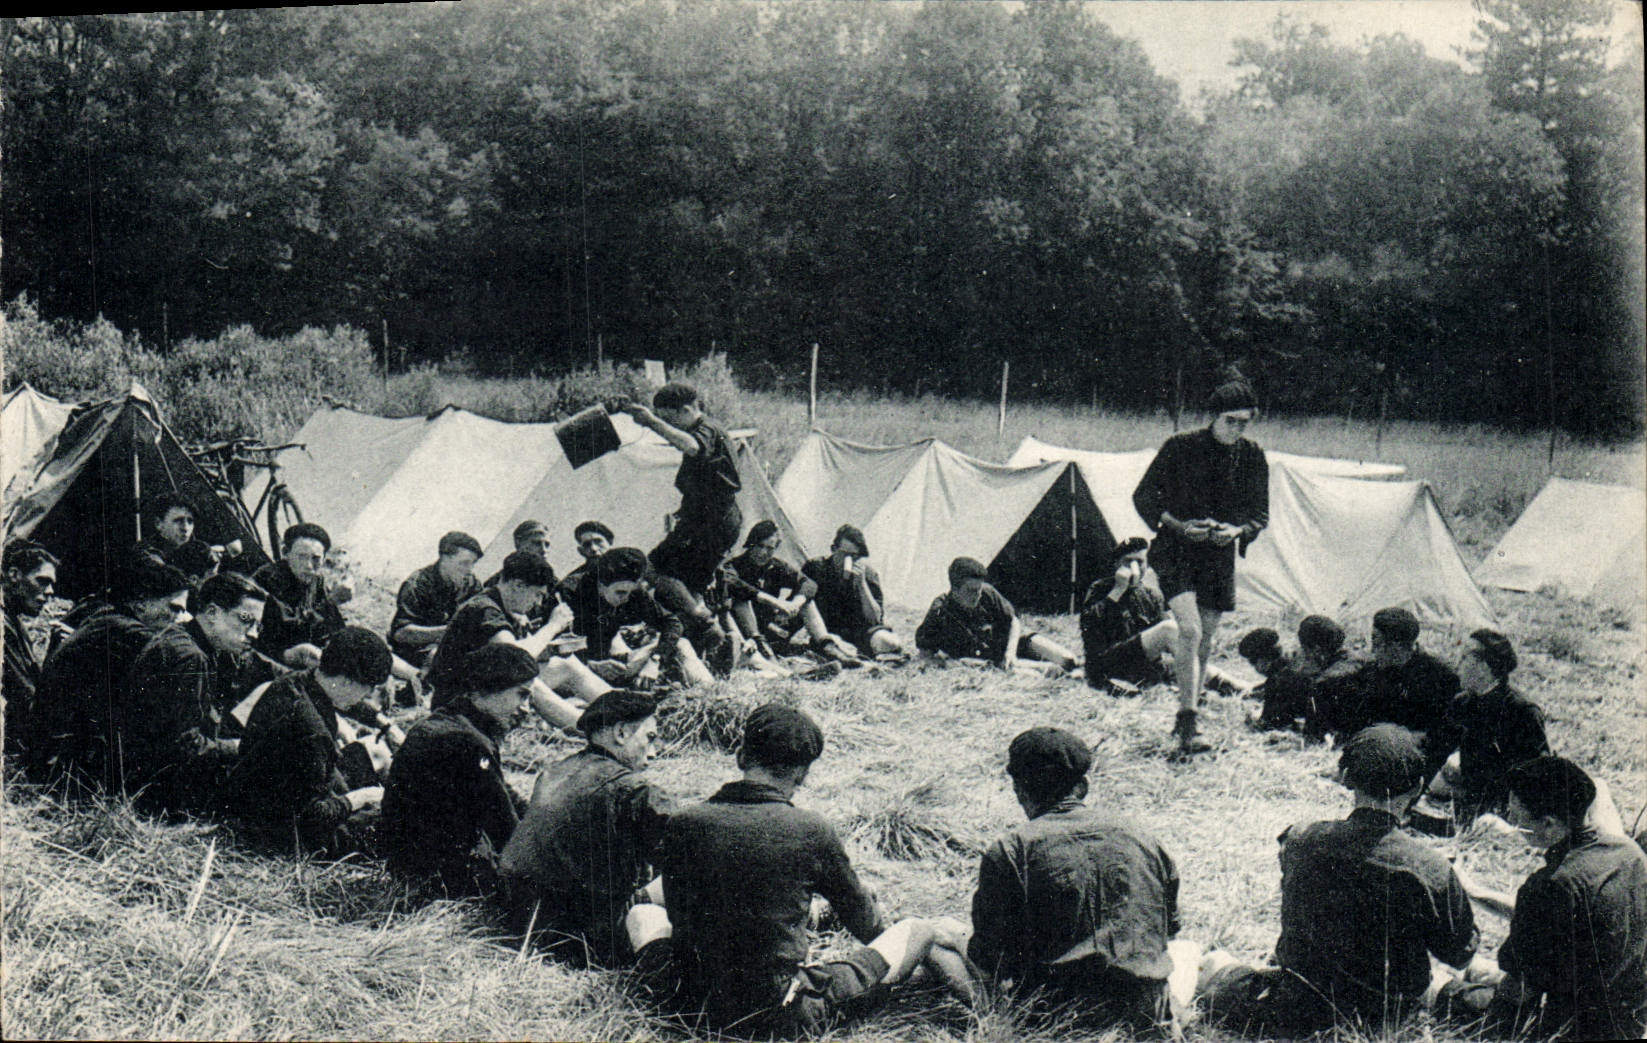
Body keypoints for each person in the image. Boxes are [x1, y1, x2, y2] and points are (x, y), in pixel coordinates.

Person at [647, 703, 974, 1035]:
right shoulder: (810, 829)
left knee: (645, 915)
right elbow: (866, 925)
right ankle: (982, 1005)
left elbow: (682, 909)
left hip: (692, 1004)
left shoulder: (683, 822)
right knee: (916, 930)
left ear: (741, 756)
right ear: (802, 773)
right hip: (782, 1013)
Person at [1196, 724, 1479, 1036]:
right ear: (1417, 788)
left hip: (1298, 1010)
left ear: (1346, 778)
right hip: (1385, 1019)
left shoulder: (1300, 838)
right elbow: (1460, 954)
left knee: (1213, 961)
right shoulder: (1431, 867)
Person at [968, 727, 1189, 1034]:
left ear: (1020, 791)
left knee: (940, 940)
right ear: (1082, 787)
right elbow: (1167, 932)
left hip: (1052, 1018)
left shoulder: (1011, 849)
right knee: (1190, 952)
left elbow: (989, 956)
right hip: (1144, 1014)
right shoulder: (1143, 838)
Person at [1438, 756, 1647, 1040]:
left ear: (1549, 824)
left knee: (1437, 983)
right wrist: (1475, 891)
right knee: (1476, 971)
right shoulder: (1630, 853)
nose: (1510, 822)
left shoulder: (1550, 885)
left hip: (1571, 1029)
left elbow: (1518, 991)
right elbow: (1571, 922)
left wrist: (1480, 1019)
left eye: (1516, 815)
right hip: (1628, 1021)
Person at [1133, 377, 1268, 754]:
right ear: (1214, 417)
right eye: (1231, 420)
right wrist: (1179, 525)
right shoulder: (1180, 447)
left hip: (1218, 557)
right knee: (1188, 632)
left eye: (1245, 422)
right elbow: (1143, 496)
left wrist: (1237, 530)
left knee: (1205, 640)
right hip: (1176, 551)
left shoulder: (1253, 455)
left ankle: (1190, 703)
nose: (1237, 429)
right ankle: (1186, 724)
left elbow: (1260, 514)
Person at [500, 690, 673, 966]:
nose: (654, 751)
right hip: (586, 938)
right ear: (620, 733)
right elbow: (690, 852)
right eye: (649, 738)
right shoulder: (632, 790)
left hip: (521, 925)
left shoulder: (552, 774)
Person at [218, 627, 393, 855]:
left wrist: (384, 724)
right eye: (367, 691)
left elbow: (349, 703)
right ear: (348, 682)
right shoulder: (313, 731)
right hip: (281, 829)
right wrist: (360, 798)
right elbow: (312, 818)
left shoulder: (297, 681)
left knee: (369, 754)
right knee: (391, 821)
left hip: (258, 796)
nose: (365, 698)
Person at [379, 644, 536, 896]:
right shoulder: (467, 741)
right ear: (490, 688)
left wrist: (536, 819)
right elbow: (505, 829)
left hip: (411, 868)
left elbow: (499, 793)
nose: (526, 708)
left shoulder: (449, 719)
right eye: (521, 695)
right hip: (437, 881)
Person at [31, 559, 191, 787]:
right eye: (173, 608)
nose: (178, 620)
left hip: (54, 751)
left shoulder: (108, 618)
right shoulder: (127, 632)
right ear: (141, 602)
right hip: (63, 766)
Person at [123, 572, 269, 814]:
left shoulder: (185, 636)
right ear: (212, 613)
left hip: (144, 774)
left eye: (258, 626)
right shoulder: (191, 657)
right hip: (154, 795)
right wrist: (238, 747)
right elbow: (186, 747)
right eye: (245, 620)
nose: (253, 633)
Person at [426, 550, 605, 730]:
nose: (538, 603)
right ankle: (591, 729)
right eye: (537, 594)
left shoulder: (496, 604)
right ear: (518, 585)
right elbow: (516, 660)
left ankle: (622, 707)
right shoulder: (484, 609)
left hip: (479, 690)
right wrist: (553, 626)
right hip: (457, 701)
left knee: (565, 665)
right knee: (527, 680)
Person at [1430, 629, 1550, 823]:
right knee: (1436, 780)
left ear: (1484, 667)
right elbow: (1436, 746)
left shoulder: (1522, 712)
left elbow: (1535, 776)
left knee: (1489, 824)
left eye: (1464, 658)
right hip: (1473, 789)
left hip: (1507, 803)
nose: (1457, 665)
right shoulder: (1463, 702)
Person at [560, 547, 711, 687]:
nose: (626, 599)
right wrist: (591, 664)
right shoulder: (569, 593)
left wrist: (655, 660)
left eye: (630, 593)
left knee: (681, 644)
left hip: (614, 666)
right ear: (600, 584)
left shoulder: (630, 590)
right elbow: (549, 649)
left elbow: (671, 623)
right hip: (576, 670)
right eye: (620, 593)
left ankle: (711, 696)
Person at [917, 557, 1076, 673]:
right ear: (955, 589)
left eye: (979, 589)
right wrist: (952, 664)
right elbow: (925, 652)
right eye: (971, 591)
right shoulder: (940, 611)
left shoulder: (987, 593)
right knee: (1046, 673)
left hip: (1014, 643)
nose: (978, 595)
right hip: (992, 661)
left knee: (1068, 660)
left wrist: (1010, 653)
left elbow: (1013, 621)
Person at [1333, 607, 1460, 749]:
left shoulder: (1440, 677)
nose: (1372, 649)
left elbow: (1449, 732)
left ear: (1396, 645)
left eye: (1376, 640)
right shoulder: (1370, 673)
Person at [722, 520, 829, 662]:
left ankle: (826, 645)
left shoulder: (776, 566)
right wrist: (775, 602)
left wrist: (795, 604)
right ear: (751, 544)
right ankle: (762, 649)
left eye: (770, 548)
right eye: (760, 546)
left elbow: (809, 583)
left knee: (806, 602)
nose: (763, 552)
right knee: (741, 598)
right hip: (747, 630)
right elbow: (732, 583)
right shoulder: (734, 566)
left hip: (771, 626)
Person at [801, 524, 906, 658]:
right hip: (830, 633)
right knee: (830, 644)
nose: (848, 561)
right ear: (833, 549)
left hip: (860, 633)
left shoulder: (867, 574)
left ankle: (856, 655)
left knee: (888, 641)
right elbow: (802, 603)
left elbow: (875, 619)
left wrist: (862, 585)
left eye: (854, 556)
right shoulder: (816, 568)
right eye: (844, 554)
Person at [250, 523, 345, 670]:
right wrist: (330, 603)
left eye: (316, 559)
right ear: (285, 553)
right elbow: (290, 633)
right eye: (301, 557)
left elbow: (333, 626)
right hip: (270, 656)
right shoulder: (268, 579)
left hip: (302, 652)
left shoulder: (316, 580)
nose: (308, 565)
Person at [387, 531, 484, 667]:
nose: (469, 570)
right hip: (415, 649)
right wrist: (450, 631)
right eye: (464, 563)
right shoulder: (418, 584)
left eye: (473, 564)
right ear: (444, 558)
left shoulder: (471, 585)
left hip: (449, 647)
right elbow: (400, 633)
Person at [1255, 615, 1360, 738]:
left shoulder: (1324, 684)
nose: (1303, 655)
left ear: (1316, 650)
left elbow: (1313, 737)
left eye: (1304, 649)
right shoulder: (1361, 661)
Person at [3, 541, 59, 762]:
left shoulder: (14, 621)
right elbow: (30, 704)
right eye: (42, 582)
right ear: (14, 574)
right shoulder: (4, 626)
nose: (50, 592)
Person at [134, 493, 224, 585]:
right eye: (178, 521)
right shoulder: (145, 554)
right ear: (158, 524)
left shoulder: (201, 551)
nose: (185, 528)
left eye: (190, 521)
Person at [483, 520, 557, 629]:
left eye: (547, 545)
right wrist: (512, 615)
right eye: (536, 543)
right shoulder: (498, 582)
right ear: (518, 543)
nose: (543, 550)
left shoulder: (552, 582)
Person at [561, 520, 614, 589]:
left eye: (598, 542)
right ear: (581, 551)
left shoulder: (627, 570)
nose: (593, 549)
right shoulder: (573, 582)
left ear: (609, 543)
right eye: (587, 545)